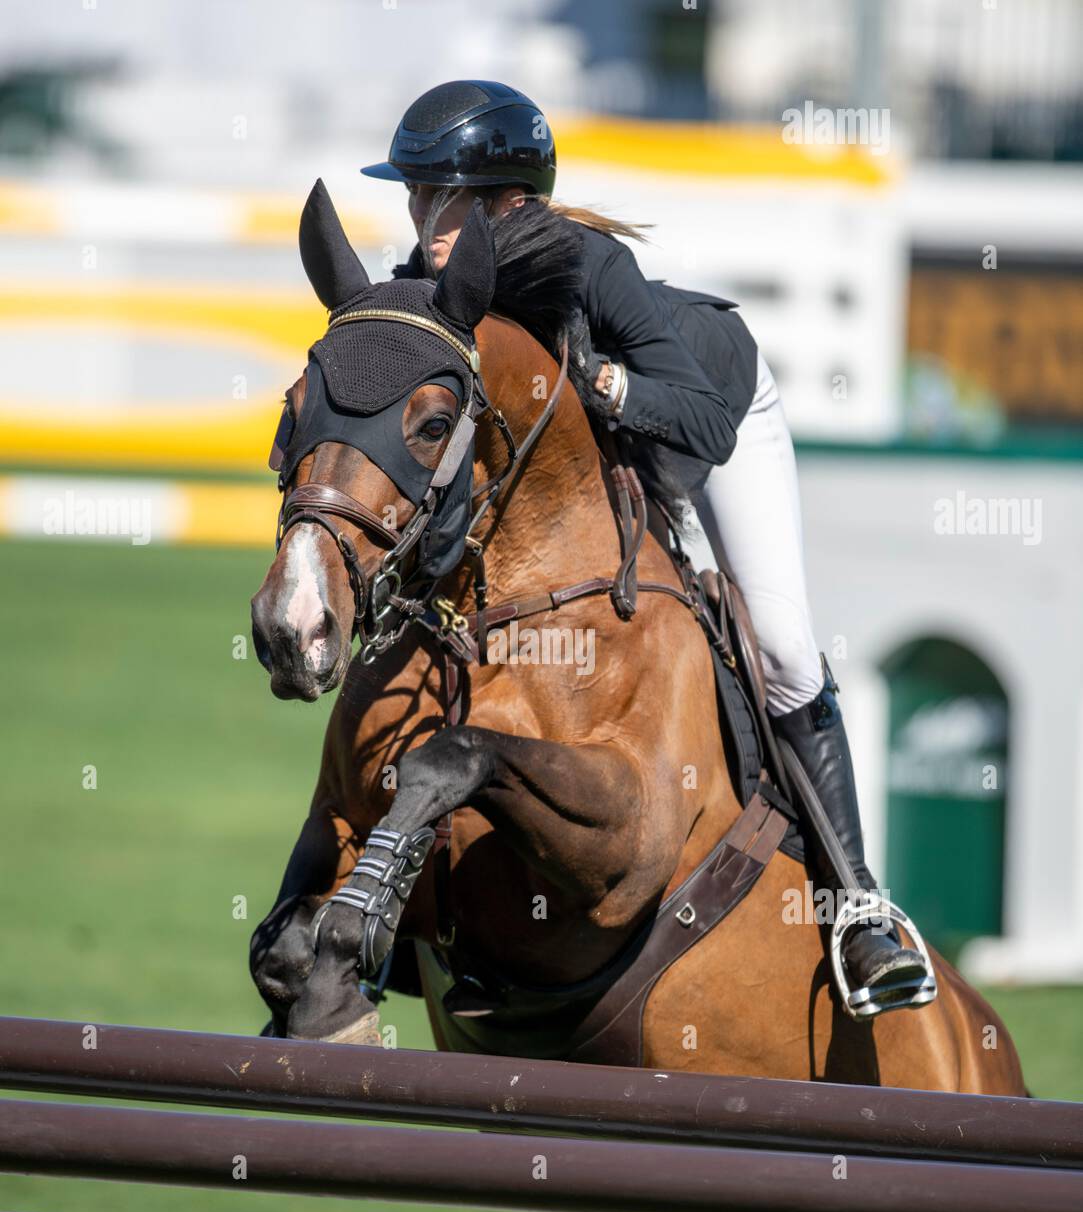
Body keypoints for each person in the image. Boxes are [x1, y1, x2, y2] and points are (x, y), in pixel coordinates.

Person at [361, 79, 933, 1017]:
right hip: (598, 469)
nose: (422, 217)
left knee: (782, 649)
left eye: (442, 197)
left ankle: (858, 908)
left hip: (706, 425)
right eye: (415, 195)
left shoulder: (589, 266)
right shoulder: (432, 281)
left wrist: (606, 387)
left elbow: (700, 421)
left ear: (504, 198)